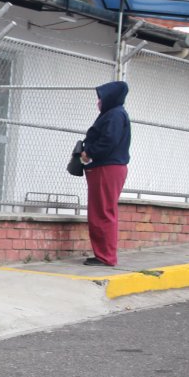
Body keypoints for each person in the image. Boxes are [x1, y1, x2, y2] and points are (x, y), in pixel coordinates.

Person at [80, 80, 131, 266]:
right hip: (106, 167)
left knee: (102, 212)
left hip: (107, 168)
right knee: (100, 211)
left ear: (110, 98)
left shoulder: (115, 115)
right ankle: (103, 254)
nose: (98, 102)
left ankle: (105, 256)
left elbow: (108, 141)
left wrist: (89, 152)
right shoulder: (113, 114)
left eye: (101, 98)